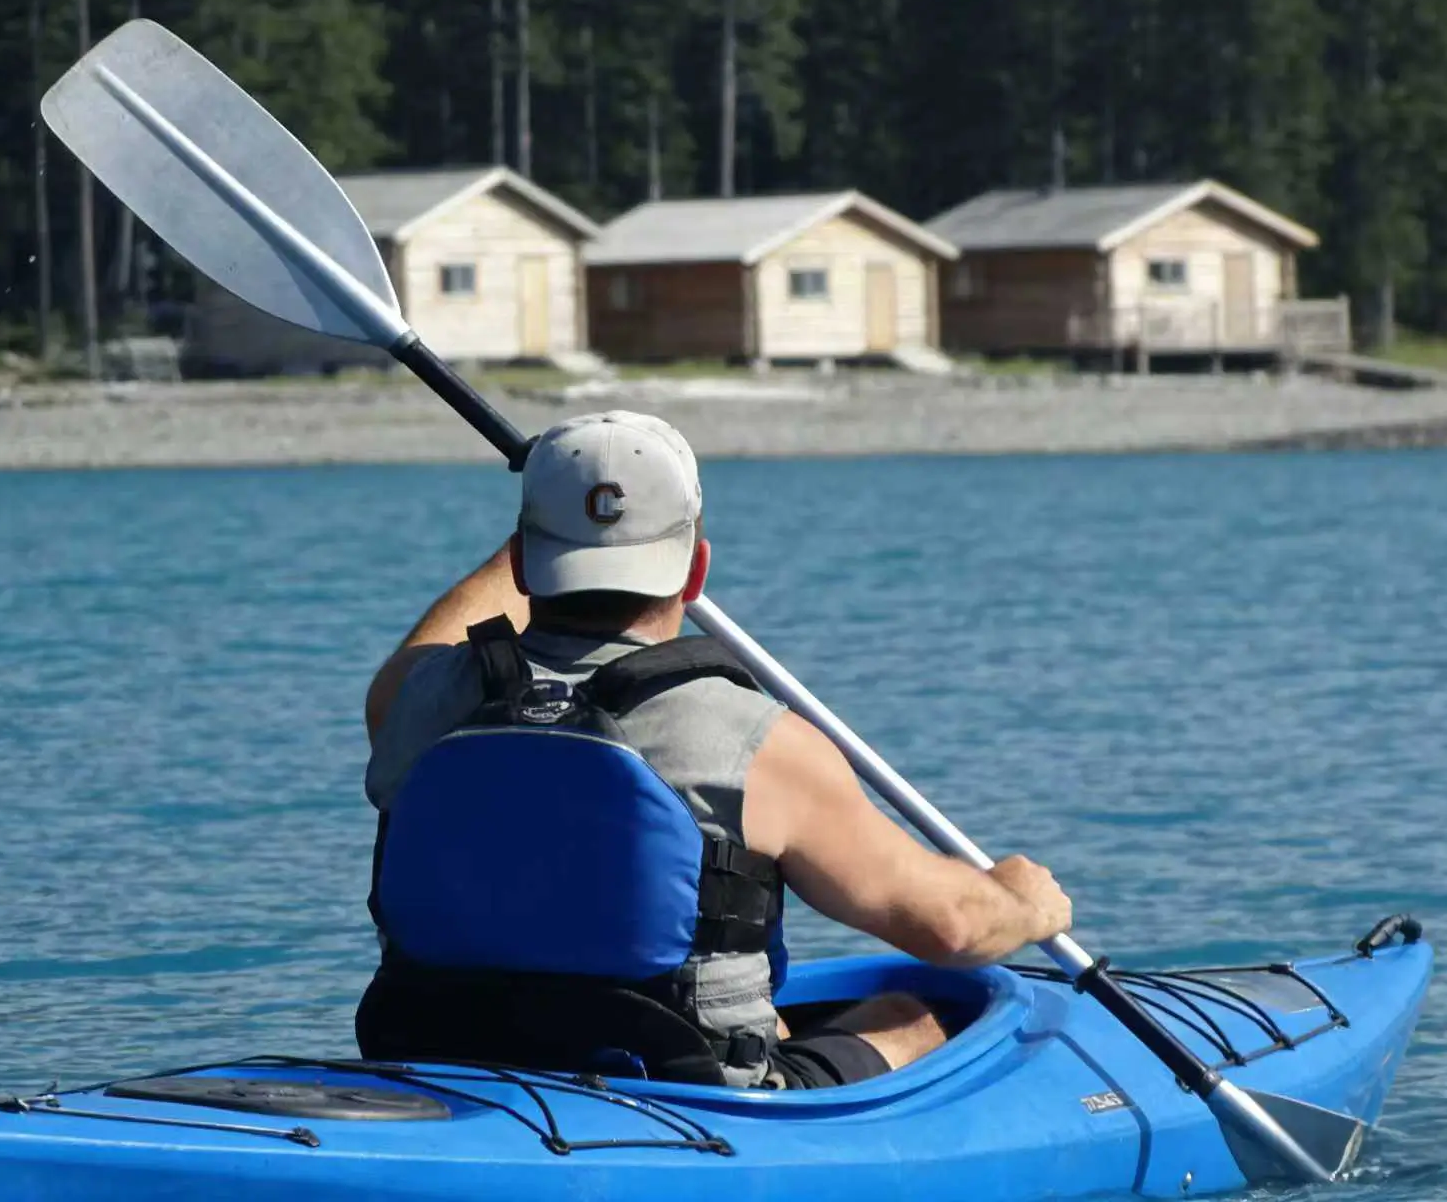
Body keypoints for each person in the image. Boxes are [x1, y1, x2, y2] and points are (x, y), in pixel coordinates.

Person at [358, 410, 1072, 1090]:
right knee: (912, 1016)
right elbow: (950, 929)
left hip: (439, 1052)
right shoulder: (757, 741)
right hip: (689, 1087)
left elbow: (443, 635)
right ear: (695, 572)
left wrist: (566, 508)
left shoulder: (420, 701)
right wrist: (1023, 904)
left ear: (521, 562)